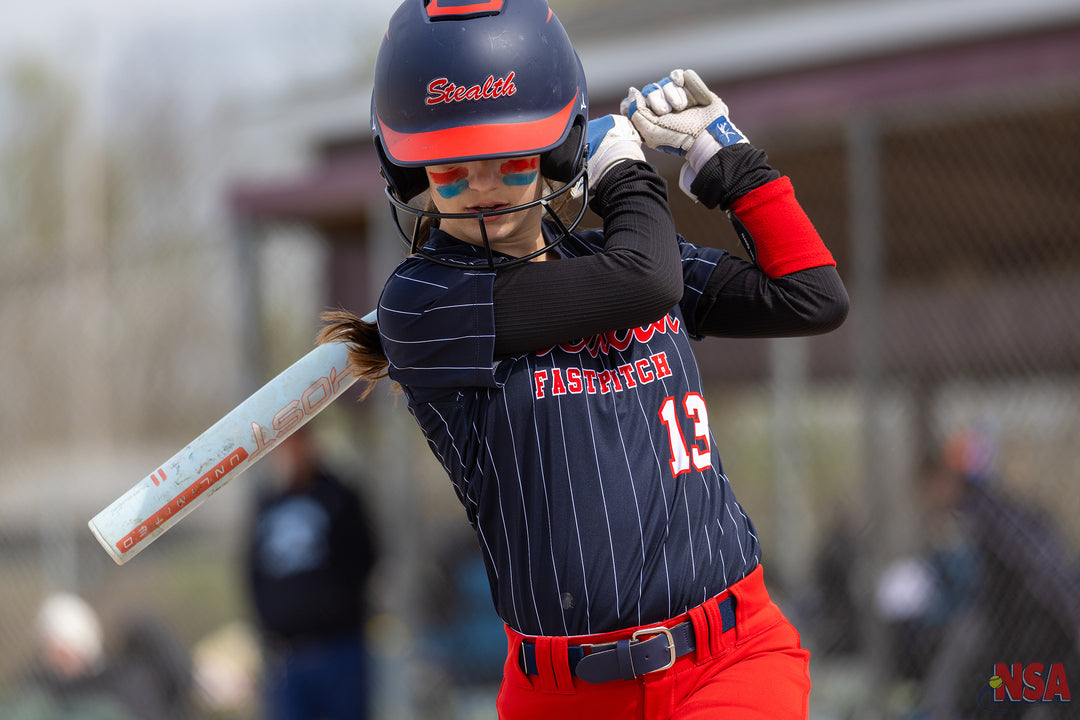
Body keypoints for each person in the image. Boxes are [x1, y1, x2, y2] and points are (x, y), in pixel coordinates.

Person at [319, 1, 848, 717]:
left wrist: (726, 160)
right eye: (449, 170)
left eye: (508, 157)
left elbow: (812, 296)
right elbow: (646, 280)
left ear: (555, 149)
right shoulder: (424, 304)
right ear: (410, 174)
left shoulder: (616, 260)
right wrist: (628, 175)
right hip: (561, 692)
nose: (481, 186)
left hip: (727, 657)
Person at [245, 425, 379, 720]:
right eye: (284, 446)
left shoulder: (339, 497)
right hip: (286, 656)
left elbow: (364, 557)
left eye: (297, 442)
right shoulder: (269, 505)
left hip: (338, 648)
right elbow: (253, 571)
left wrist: (333, 604)